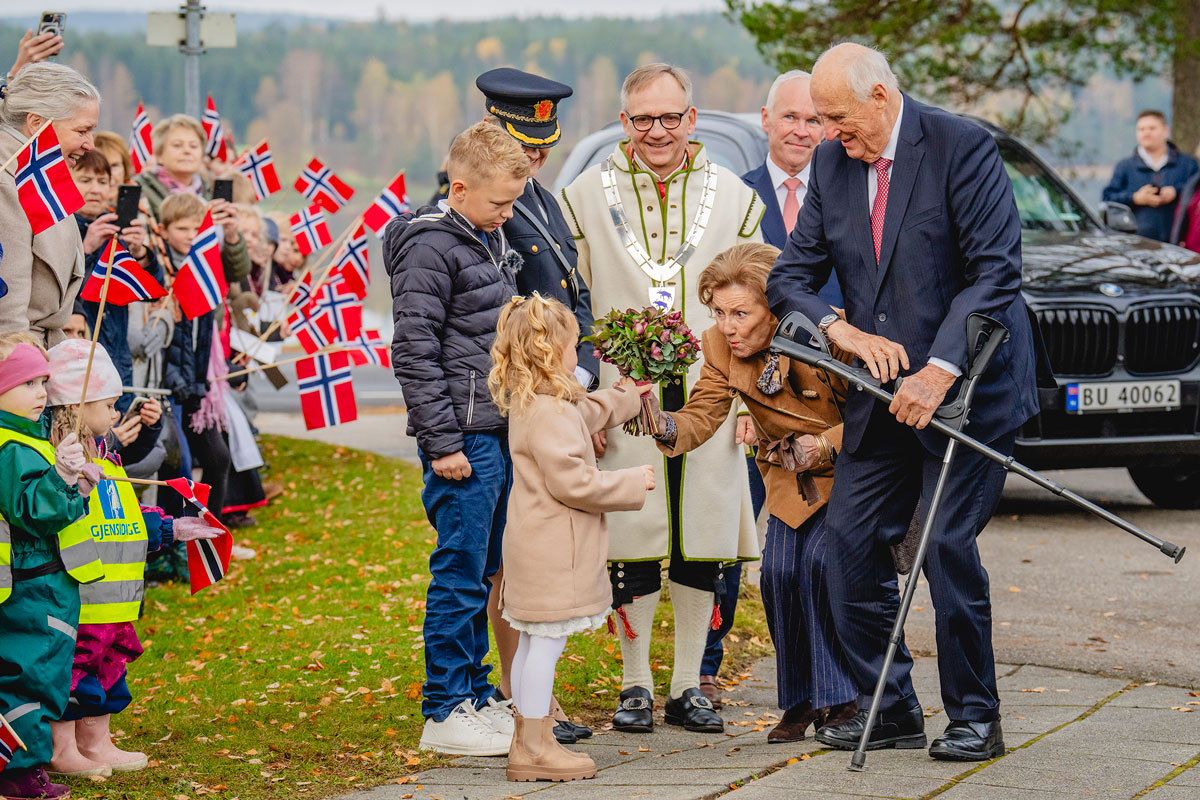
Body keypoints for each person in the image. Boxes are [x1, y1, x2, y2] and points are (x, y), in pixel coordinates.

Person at [767, 43, 1040, 761]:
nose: (827, 133)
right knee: (847, 547)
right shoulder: (832, 164)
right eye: (820, 119)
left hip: (969, 390)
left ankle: (976, 717)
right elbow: (791, 278)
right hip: (879, 395)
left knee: (945, 547)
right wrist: (842, 330)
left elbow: (994, 275)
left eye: (837, 117)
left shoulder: (962, 147)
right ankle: (888, 710)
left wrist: (939, 372)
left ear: (881, 96)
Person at [558, 63, 763, 734]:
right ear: (624, 123)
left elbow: (759, 306)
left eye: (670, 117)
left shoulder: (734, 195)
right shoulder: (585, 195)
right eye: (643, 118)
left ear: (692, 118)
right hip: (622, 390)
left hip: (714, 391)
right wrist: (582, 401)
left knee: (703, 539)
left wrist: (755, 407)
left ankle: (687, 686)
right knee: (633, 534)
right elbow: (569, 305)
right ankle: (635, 683)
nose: (657, 131)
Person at [649, 242, 858, 742]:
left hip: (854, 470)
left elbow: (874, 416)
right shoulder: (719, 346)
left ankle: (844, 700)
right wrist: (661, 423)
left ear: (775, 306)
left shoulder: (831, 333)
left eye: (740, 312)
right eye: (719, 312)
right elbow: (702, 414)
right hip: (789, 476)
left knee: (821, 568)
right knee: (779, 576)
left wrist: (823, 445)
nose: (728, 326)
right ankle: (801, 702)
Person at [384, 121, 530, 756]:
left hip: (492, 428)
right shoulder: (431, 249)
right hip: (461, 439)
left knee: (485, 571)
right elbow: (414, 350)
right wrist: (442, 442)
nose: (508, 213)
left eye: (514, 202)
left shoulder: (484, 238)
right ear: (461, 186)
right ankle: (443, 707)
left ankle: (475, 692)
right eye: (499, 202)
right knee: (459, 572)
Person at [474, 67, 601, 742]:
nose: (538, 159)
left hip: (557, 393)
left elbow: (571, 297)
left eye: (544, 148)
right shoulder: (478, 204)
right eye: (528, 146)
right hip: (514, 406)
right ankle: (519, 698)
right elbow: (504, 315)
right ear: (495, 129)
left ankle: (533, 694)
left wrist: (584, 377)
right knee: (508, 556)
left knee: (533, 555)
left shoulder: (542, 201)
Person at [488, 294, 652, 782]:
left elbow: (590, 410)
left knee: (533, 643)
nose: (576, 353)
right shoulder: (552, 413)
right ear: (550, 352)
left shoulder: (535, 401)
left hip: (532, 545)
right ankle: (536, 748)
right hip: (554, 550)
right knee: (545, 645)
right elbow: (573, 482)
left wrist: (628, 394)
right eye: (572, 345)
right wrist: (630, 481)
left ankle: (525, 736)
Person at [43, 339, 222, 775]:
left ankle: (97, 740)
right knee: (72, 674)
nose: (116, 412)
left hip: (118, 601)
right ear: (77, 405)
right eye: (107, 404)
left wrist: (171, 528)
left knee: (109, 671)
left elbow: (125, 514)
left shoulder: (110, 459)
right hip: (82, 596)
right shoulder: (59, 463)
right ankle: (63, 748)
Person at [0, 333, 101, 799]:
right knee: (31, 674)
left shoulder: (30, 438)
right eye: (27, 384)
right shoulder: (10, 447)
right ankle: (20, 773)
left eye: (43, 381)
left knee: (47, 670)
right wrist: (60, 478)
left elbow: (58, 509)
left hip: (52, 578)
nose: (42, 392)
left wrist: (76, 483)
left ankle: (28, 767)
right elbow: (31, 512)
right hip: (32, 581)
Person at [0, 62, 99, 347]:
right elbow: (9, 301)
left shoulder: (36, 174)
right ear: (36, 123)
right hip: (18, 353)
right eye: (82, 131)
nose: (90, 144)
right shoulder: (8, 180)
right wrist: (21, 373)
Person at [70, 149, 158, 413]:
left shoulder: (115, 230)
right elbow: (63, 293)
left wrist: (140, 253)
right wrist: (85, 249)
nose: (95, 190)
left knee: (118, 440)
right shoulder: (60, 227)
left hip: (116, 356)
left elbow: (152, 292)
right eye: (85, 181)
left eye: (103, 182)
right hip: (79, 360)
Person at [135, 114, 251, 285]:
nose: (187, 151)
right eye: (177, 145)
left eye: (194, 146)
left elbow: (236, 273)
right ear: (159, 154)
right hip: (164, 296)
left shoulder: (212, 194)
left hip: (208, 301)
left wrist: (232, 236)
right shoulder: (141, 193)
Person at [1102, 110, 1199, 243]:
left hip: (1178, 244)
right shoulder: (1125, 166)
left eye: (1152, 128)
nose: (1146, 133)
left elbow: (1196, 197)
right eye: (1141, 129)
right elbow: (1108, 198)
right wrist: (1135, 198)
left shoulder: (1188, 164)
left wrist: (1175, 192)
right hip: (1135, 243)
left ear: (1165, 131)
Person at [92, 131, 134, 204]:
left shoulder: (142, 203)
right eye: (102, 167)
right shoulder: (74, 212)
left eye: (114, 166)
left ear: (125, 168)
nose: (110, 174)